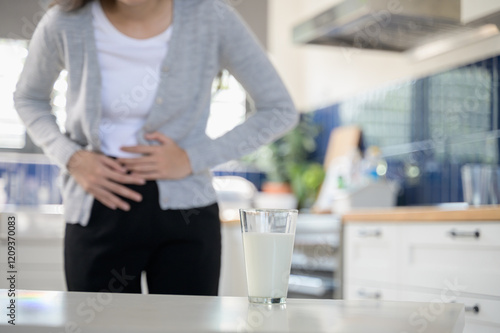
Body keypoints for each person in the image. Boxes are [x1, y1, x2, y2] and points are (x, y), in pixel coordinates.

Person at [14, 0, 298, 295]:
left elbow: (279, 110)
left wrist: (192, 158)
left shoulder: (213, 17)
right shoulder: (64, 21)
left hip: (187, 210)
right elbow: (28, 98)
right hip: (97, 206)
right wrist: (72, 158)